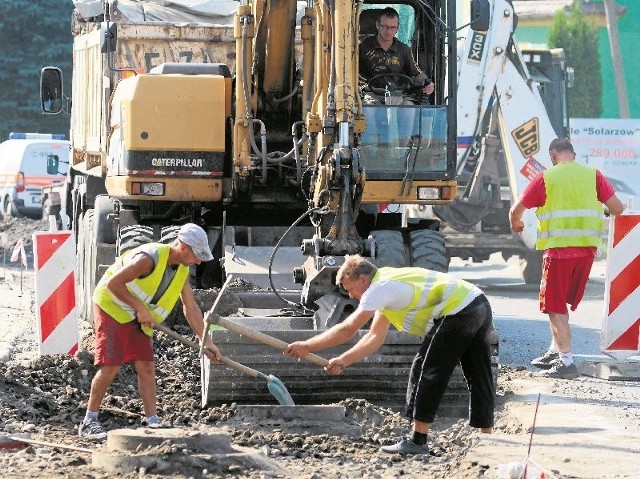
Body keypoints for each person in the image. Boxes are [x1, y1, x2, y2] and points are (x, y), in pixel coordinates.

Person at [284, 254, 494, 455]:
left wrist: (307, 346)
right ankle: (487, 438)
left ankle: (417, 440)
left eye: (350, 289)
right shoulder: (388, 285)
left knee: (425, 370)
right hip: (479, 303)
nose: (351, 296)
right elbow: (374, 337)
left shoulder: (379, 289)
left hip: (458, 311)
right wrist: (343, 361)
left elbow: (348, 329)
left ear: (363, 279)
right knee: (478, 373)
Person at [78, 223, 222, 440]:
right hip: (112, 307)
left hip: (137, 315)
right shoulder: (149, 258)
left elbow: (190, 307)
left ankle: (152, 420)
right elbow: (113, 284)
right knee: (112, 363)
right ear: (183, 247)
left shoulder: (181, 270)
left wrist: (206, 341)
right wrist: (140, 307)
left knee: (146, 365)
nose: (199, 261)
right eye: (196, 255)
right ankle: (89, 420)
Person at [509, 138, 624, 379]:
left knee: (554, 306)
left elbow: (516, 209)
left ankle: (566, 362)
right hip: (586, 252)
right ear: (572, 153)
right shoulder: (593, 175)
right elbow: (617, 208)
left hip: (559, 253)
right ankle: (554, 351)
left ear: (552, 155)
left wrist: (516, 223)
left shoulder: (546, 178)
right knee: (560, 303)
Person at [359, 7, 434, 145]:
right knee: (368, 109)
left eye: (393, 28)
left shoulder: (403, 50)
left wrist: (428, 82)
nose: (388, 31)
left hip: (398, 93)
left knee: (409, 109)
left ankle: (401, 150)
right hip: (373, 94)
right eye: (385, 27)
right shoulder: (364, 47)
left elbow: (416, 73)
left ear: (398, 28)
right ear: (377, 25)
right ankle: (372, 147)